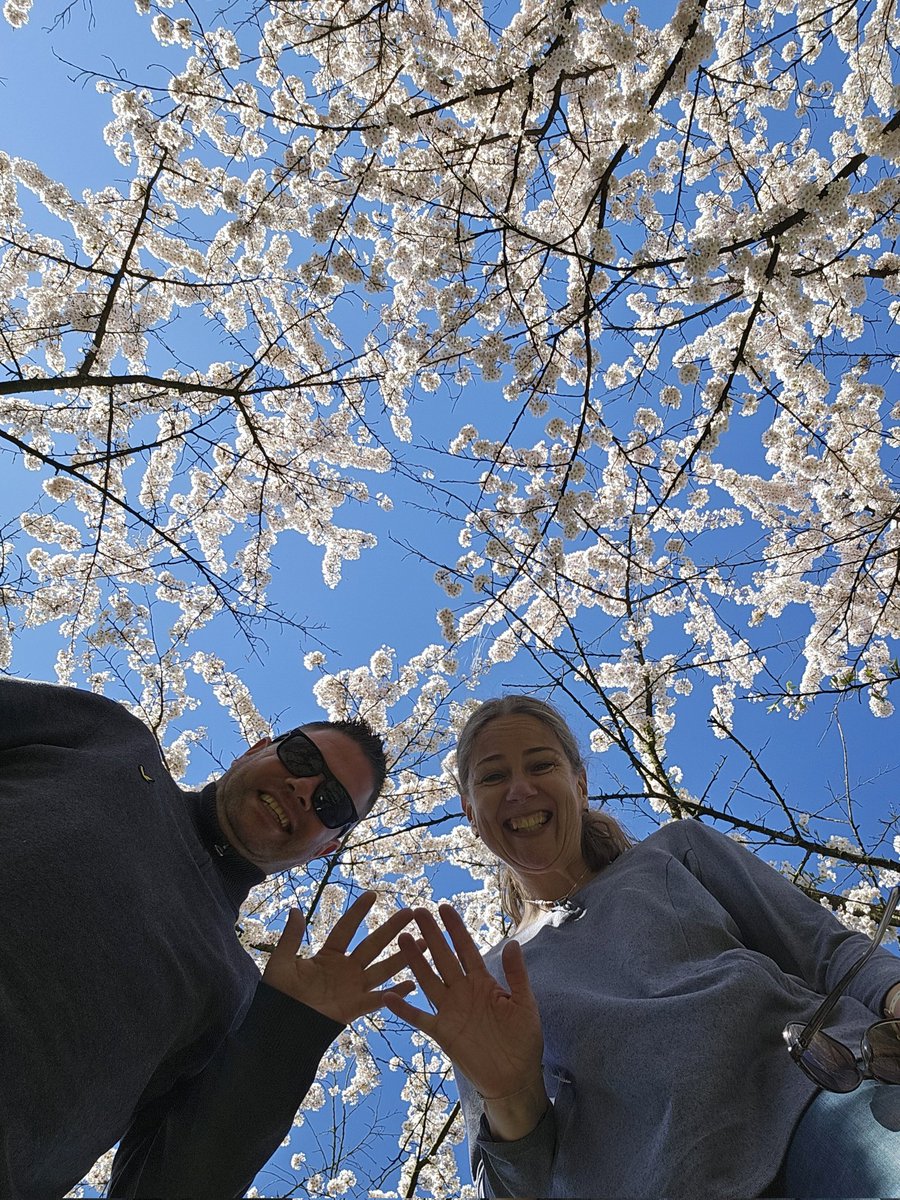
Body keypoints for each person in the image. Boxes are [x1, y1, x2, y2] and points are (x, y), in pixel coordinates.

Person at [387, 694, 900, 1198]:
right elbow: (512, 1187)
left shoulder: (678, 851)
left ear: (580, 783)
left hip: (818, 1098)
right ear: (470, 812)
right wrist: (509, 1095)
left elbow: (824, 948)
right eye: (494, 776)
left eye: (541, 764)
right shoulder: (488, 985)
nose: (520, 788)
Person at [0, 676, 414, 1200]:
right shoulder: (112, 738)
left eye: (332, 805)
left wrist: (287, 1034)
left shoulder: (238, 1000)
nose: (304, 789)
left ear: (324, 851)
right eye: (302, 758)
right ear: (259, 747)